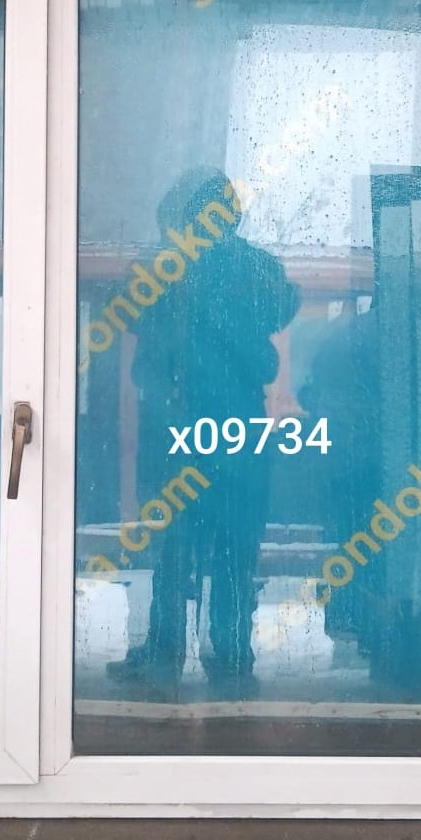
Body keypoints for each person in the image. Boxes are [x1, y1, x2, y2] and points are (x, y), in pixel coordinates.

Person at [108, 168, 300, 698]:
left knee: (173, 549)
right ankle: (231, 655)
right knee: (235, 548)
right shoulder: (258, 268)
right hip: (238, 435)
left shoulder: (164, 269)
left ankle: (164, 654)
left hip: (178, 433)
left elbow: (129, 326)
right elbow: (273, 335)